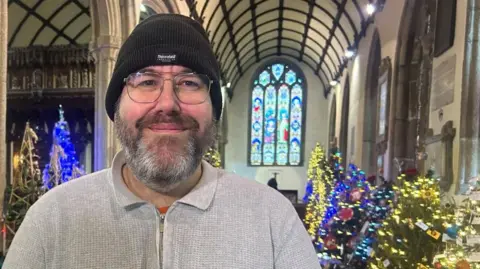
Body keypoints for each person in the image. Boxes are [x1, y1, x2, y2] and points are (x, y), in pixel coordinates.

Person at [3, 14, 320, 269]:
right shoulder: (52, 220)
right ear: (117, 107)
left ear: (213, 107)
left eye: (189, 82)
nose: (167, 103)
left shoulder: (272, 220)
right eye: (146, 81)